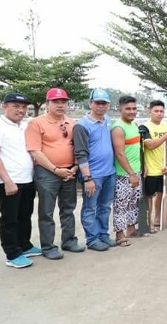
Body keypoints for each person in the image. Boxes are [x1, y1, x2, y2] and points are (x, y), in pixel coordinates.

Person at [0, 93, 39, 269]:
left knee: (25, 215)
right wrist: (7, 181)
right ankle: (12, 253)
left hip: (26, 179)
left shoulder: (26, 125)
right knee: (10, 219)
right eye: (16, 106)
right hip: (6, 181)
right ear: (4, 106)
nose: (21, 110)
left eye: (24, 107)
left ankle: (25, 245)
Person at [26, 88, 83, 260]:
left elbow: (77, 147)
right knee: (46, 211)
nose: (60, 105)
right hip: (47, 173)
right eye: (56, 102)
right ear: (47, 103)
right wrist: (55, 170)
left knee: (68, 208)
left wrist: (74, 167)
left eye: (63, 102)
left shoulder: (72, 122)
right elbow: (35, 151)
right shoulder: (36, 123)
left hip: (69, 171)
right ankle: (48, 246)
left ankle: (69, 240)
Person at [73, 89, 117, 251]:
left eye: (104, 103)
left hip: (109, 173)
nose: (101, 106)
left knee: (105, 206)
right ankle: (92, 239)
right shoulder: (81, 126)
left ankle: (103, 234)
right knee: (90, 207)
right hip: (93, 175)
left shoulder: (108, 121)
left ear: (108, 105)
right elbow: (80, 154)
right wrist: (87, 178)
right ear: (90, 103)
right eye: (97, 103)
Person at [110, 95, 143, 246]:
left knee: (133, 202)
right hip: (124, 174)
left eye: (134, 108)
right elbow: (120, 153)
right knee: (121, 205)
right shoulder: (118, 128)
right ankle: (119, 234)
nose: (132, 111)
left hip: (136, 171)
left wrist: (141, 169)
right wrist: (131, 174)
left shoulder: (134, 125)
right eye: (128, 109)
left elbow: (137, 149)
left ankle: (131, 228)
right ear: (120, 109)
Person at [140, 100, 167, 231]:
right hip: (150, 170)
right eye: (156, 111)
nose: (159, 114)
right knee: (149, 197)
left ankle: (157, 218)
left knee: (161, 194)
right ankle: (148, 222)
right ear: (150, 111)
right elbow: (150, 145)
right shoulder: (144, 127)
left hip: (163, 169)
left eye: (161, 111)